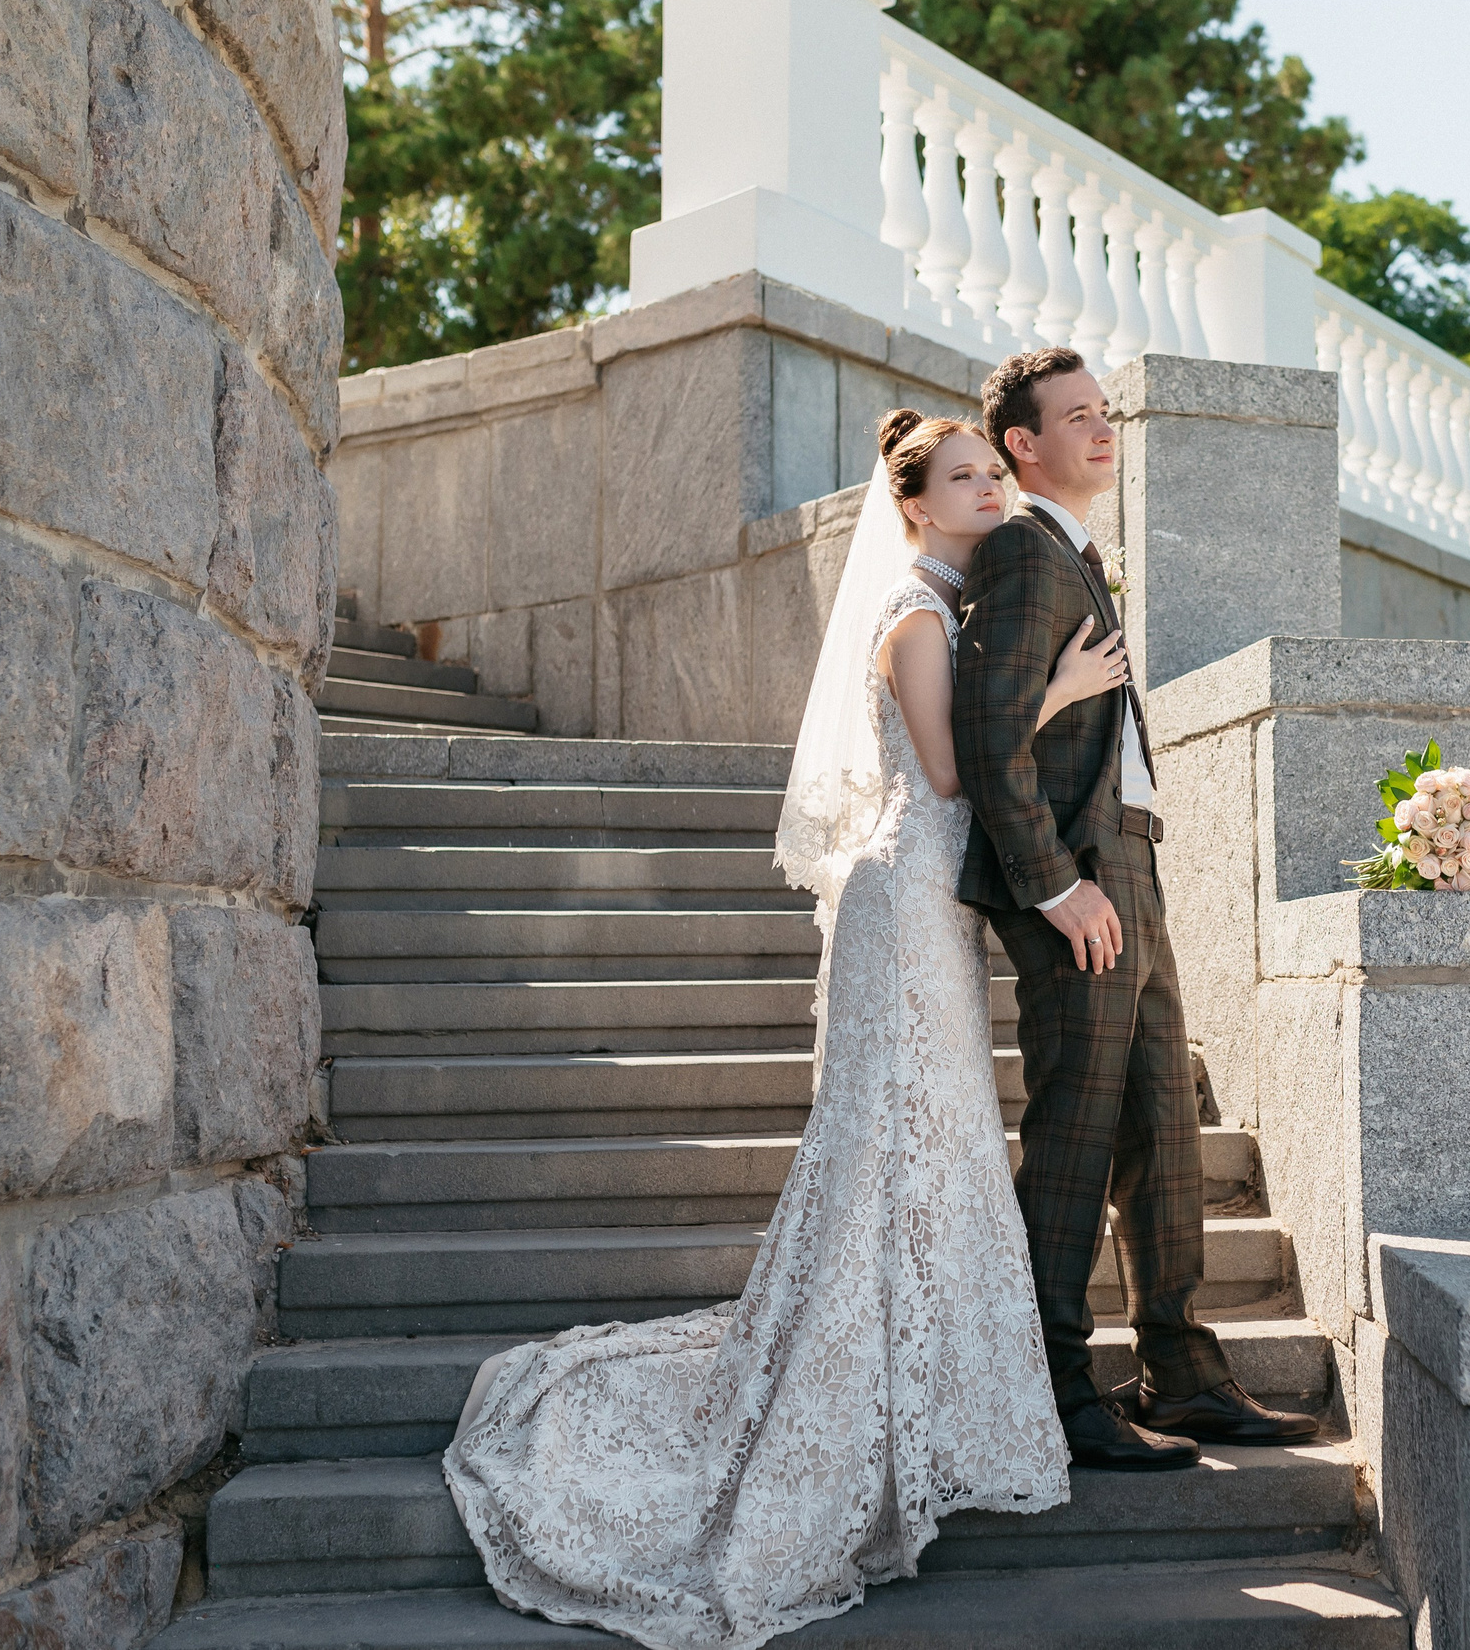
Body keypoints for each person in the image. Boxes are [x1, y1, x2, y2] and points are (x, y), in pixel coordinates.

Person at [442, 411, 1136, 1648]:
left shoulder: (960, 601)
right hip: (901, 898)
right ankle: (850, 1387)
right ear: (911, 503)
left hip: (932, 905)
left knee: (931, 1140)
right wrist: (1064, 687)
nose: (986, 488)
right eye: (961, 478)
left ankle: (928, 1388)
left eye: (993, 471)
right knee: (889, 1140)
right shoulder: (915, 617)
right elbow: (943, 771)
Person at [952, 347, 1323, 1471]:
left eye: (1105, 414)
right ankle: (1055, 1386)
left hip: (1131, 863)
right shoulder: (1023, 550)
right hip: (1075, 878)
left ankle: (1182, 1366)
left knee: (1162, 1124)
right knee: (1073, 1135)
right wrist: (1054, 882)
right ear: (1022, 443)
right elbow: (987, 732)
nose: (1103, 431)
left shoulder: (1077, 552)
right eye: (1077, 417)